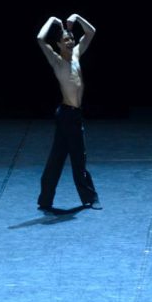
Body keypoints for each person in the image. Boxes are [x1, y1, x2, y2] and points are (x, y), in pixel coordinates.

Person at [36, 14, 101, 211]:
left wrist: (77, 17)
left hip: (74, 114)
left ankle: (45, 200)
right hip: (67, 115)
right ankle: (89, 197)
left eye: (71, 38)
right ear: (58, 44)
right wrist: (53, 20)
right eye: (66, 39)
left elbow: (91, 32)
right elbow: (40, 38)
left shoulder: (76, 55)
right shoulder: (57, 61)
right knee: (77, 158)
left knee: (58, 158)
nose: (70, 41)